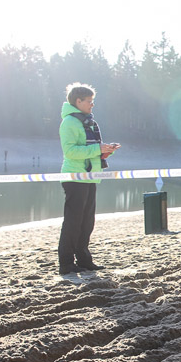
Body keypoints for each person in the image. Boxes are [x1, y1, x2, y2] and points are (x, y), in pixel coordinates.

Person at [57, 82, 120, 275]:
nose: (92, 105)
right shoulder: (69, 122)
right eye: (89, 101)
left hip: (90, 176)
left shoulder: (89, 121)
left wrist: (105, 152)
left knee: (87, 222)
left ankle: (84, 260)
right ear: (78, 101)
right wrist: (97, 149)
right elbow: (70, 151)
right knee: (73, 221)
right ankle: (66, 263)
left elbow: (92, 149)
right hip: (75, 177)